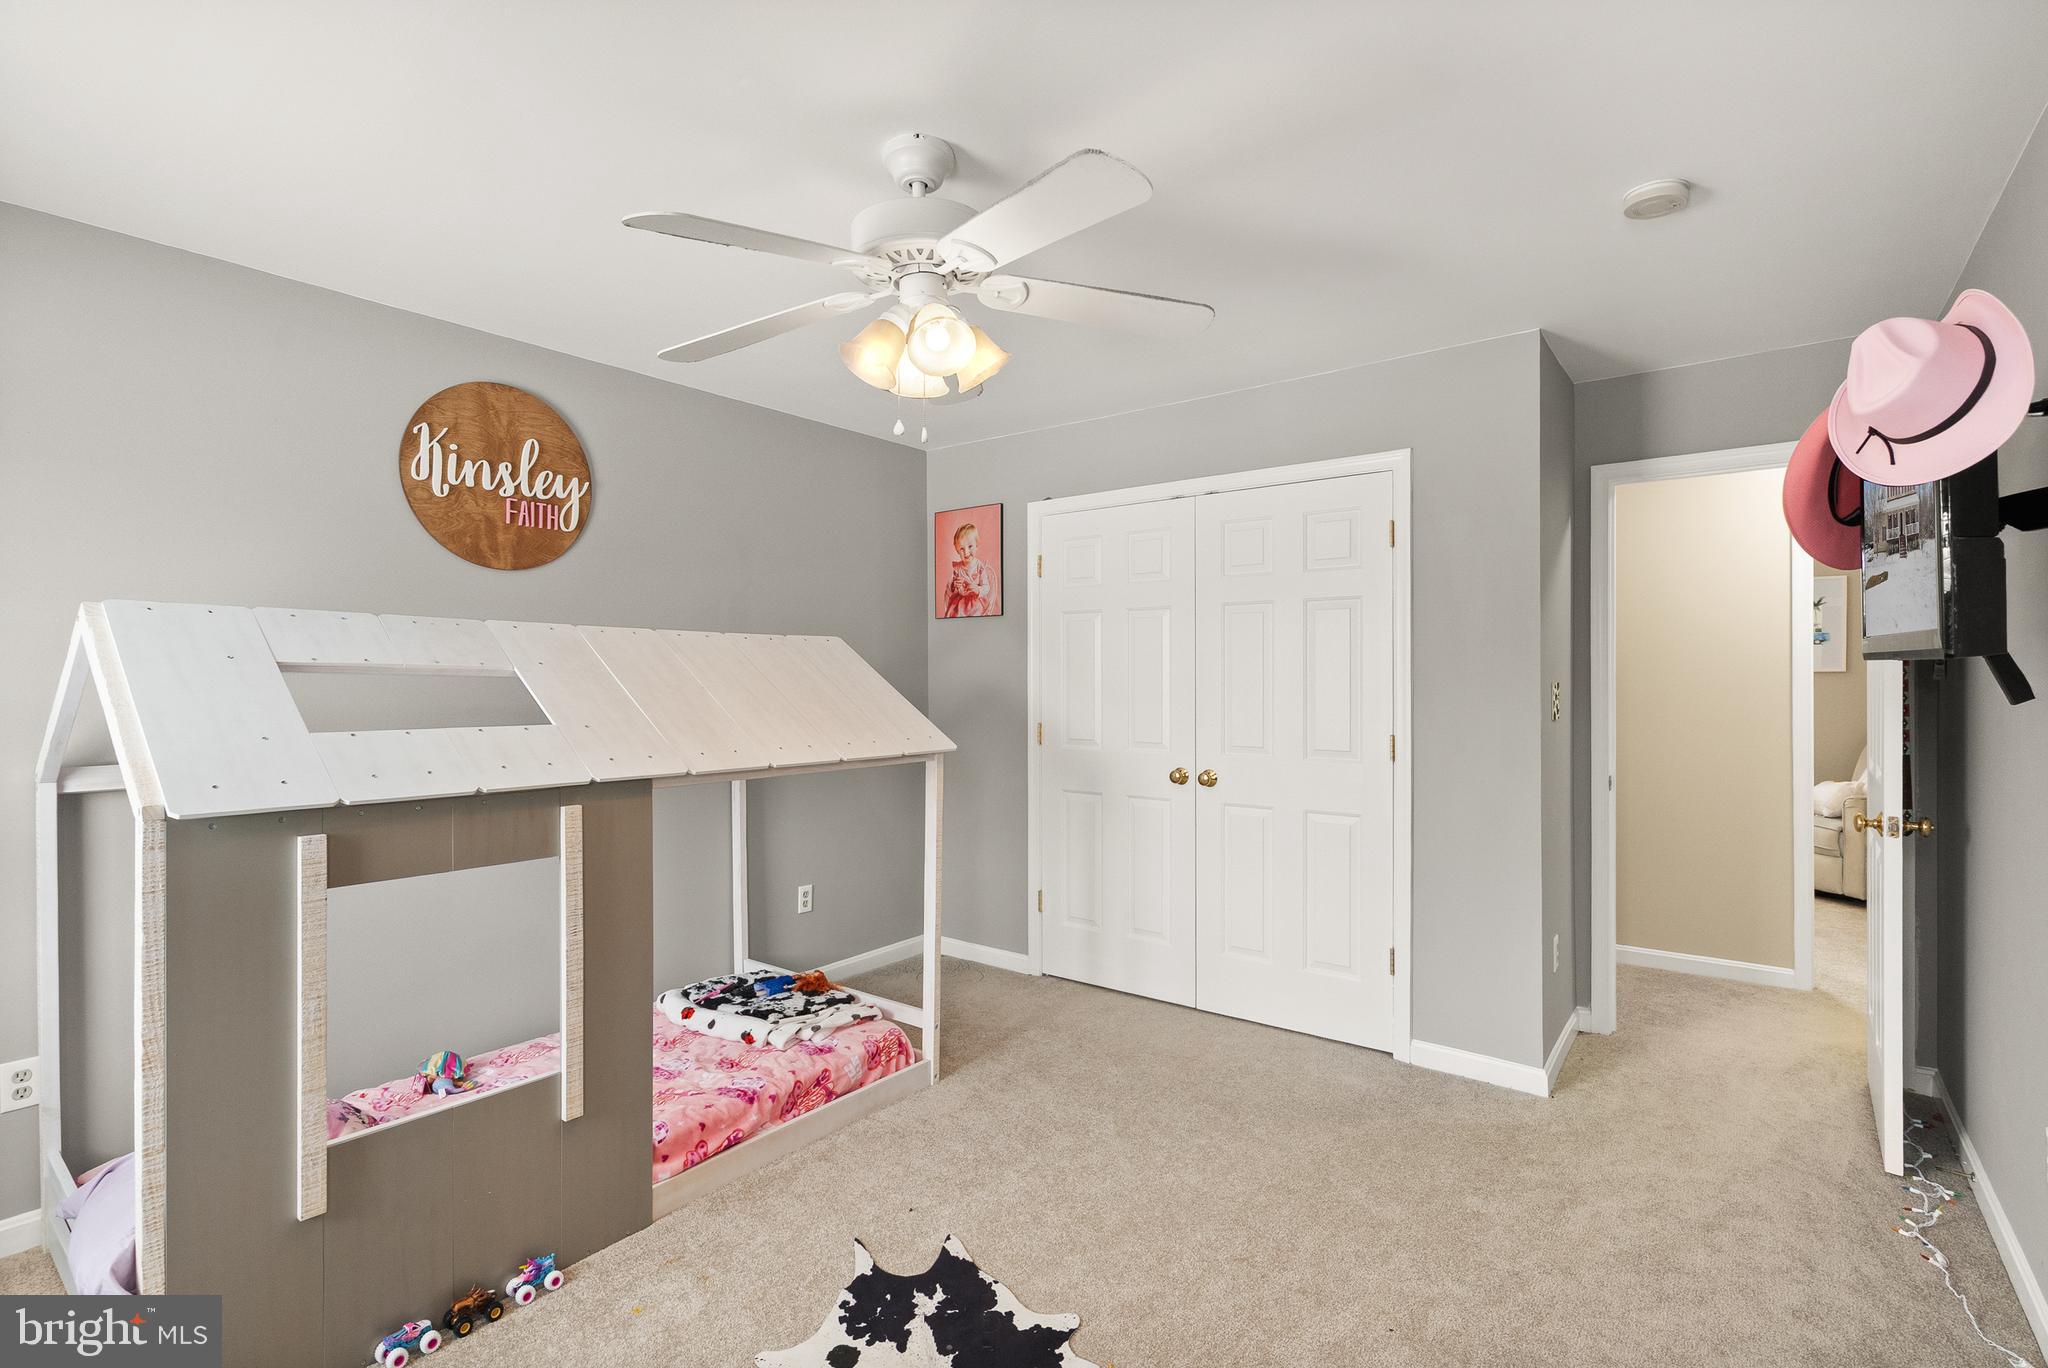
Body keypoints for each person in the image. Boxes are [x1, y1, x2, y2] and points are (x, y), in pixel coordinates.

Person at [942, 521, 998, 617]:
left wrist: (977, 589)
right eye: (962, 549)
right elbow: (952, 589)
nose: (966, 552)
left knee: (976, 614)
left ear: (977, 545)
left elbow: (986, 587)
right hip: (960, 602)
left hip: (975, 601)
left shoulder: (979, 566)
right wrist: (954, 585)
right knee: (955, 614)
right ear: (957, 551)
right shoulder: (957, 568)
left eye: (970, 546)